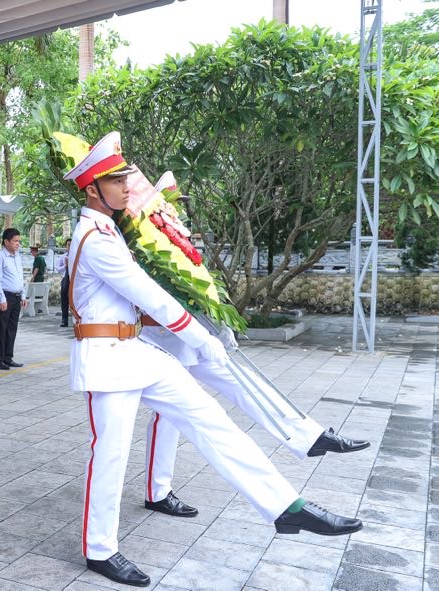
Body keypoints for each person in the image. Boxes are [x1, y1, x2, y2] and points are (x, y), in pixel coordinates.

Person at [62, 132, 361, 587]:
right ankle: (100, 550)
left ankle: (286, 507)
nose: (126, 186)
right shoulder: (95, 238)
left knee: (212, 421)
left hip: (138, 351)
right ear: (91, 189)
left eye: (125, 178)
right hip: (107, 359)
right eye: (116, 181)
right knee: (111, 456)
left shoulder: (110, 231)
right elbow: (148, 295)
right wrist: (202, 338)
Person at [140, 322, 369, 518]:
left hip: (193, 337)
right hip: (161, 339)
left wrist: (218, 325)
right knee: (168, 418)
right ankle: (158, 492)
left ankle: (311, 437)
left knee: (245, 382)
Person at [0, 228, 28, 370]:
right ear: (6, 242)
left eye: (19, 241)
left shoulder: (17, 256)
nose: (18, 244)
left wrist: (23, 294)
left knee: (12, 329)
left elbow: (20, 277)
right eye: (15, 241)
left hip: (17, 296)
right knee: (1, 329)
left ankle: (8, 357)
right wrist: (1, 299)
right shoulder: (0, 256)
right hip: (5, 296)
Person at [56, 238, 71, 327]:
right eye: (68, 245)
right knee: (64, 300)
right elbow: (58, 269)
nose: (70, 247)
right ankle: (64, 320)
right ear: (66, 246)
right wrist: (65, 266)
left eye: (72, 245)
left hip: (75, 280)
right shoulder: (63, 257)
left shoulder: (78, 257)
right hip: (65, 279)